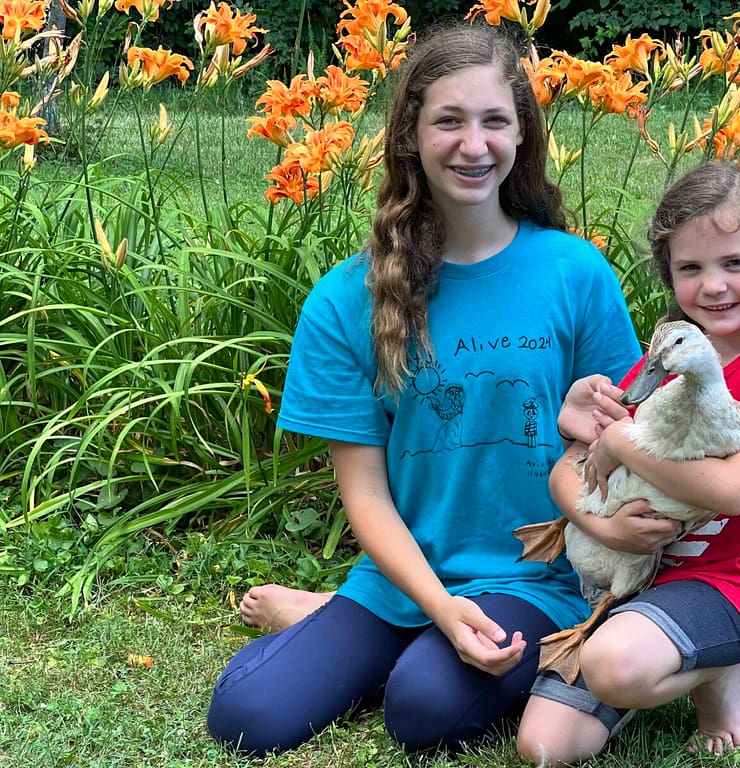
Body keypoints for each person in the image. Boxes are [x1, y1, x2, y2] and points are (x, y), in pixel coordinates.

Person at [205, 21, 641, 757]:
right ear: (410, 133)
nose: (474, 145)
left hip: (538, 582)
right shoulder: (347, 298)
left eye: (495, 121)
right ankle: (346, 619)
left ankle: (368, 637)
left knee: (422, 708)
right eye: (449, 120)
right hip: (407, 578)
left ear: (522, 135)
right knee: (246, 715)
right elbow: (367, 495)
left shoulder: (575, 273)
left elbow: (621, 438)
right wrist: (438, 605)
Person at [516, 160, 740, 765]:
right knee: (545, 749)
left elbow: (733, 491)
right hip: (637, 575)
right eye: (691, 268)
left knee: (612, 664)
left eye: (735, 263)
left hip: (729, 585)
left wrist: (626, 444)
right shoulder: (659, 365)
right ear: (670, 275)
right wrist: (604, 526)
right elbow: (567, 471)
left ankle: (717, 669)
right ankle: (649, 649)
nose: (713, 286)